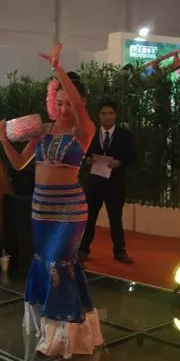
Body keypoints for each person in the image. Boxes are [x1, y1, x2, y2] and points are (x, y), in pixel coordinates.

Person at [0, 42, 103, 359]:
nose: (65, 108)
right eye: (59, 102)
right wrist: (3, 138)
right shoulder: (42, 130)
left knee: (58, 262)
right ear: (51, 102)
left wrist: (57, 68)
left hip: (69, 210)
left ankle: (62, 336)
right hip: (40, 209)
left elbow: (79, 108)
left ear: (80, 103)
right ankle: (65, 328)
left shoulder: (84, 131)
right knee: (49, 262)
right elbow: (19, 164)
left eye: (70, 102)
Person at [78, 100, 136, 264]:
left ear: (115, 115)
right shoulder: (92, 134)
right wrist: (87, 160)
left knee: (115, 218)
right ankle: (83, 249)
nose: (107, 117)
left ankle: (120, 251)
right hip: (95, 183)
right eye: (104, 114)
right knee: (90, 217)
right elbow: (83, 154)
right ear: (99, 116)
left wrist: (119, 163)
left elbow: (132, 157)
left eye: (110, 113)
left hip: (115, 184)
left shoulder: (125, 135)